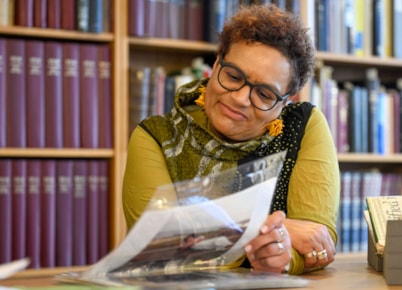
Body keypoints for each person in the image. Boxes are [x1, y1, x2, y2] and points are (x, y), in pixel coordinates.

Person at [122, 4, 340, 275]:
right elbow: (159, 245)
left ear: (284, 104)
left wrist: (282, 258)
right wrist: (262, 231)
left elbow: (313, 238)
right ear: (215, 64)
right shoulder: (154, 137)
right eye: (233, 76)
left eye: (264, 94)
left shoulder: (304, 126)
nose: (239, 98)